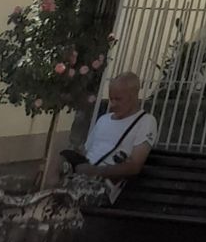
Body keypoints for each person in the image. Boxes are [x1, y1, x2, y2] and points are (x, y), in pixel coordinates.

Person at [64, 72, 157, 204]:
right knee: (59, 161)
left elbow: (135, 166)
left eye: (118, 99)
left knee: (60, 199)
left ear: (134, 96)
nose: (112, 104)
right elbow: (86, 151)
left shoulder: (146, 122)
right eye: (111, 99)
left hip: (103, 185)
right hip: (82, 177)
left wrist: (96, 171)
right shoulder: (104, 119)